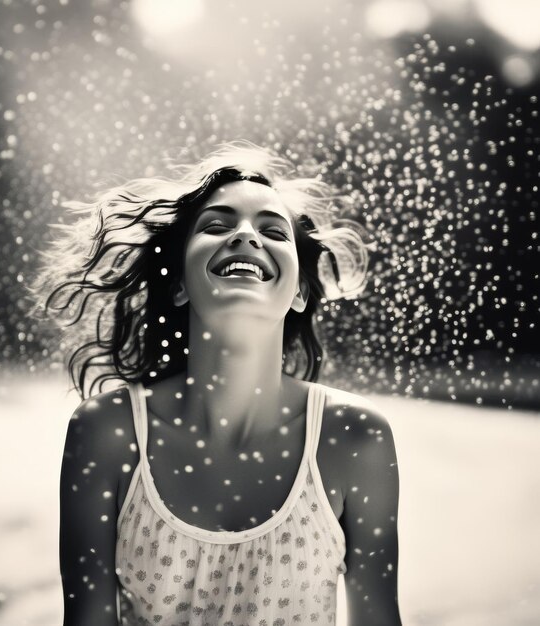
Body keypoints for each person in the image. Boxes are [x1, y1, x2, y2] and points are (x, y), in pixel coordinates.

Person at [35, 143, 401, 625]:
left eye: (272, 230)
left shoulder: (355, 439)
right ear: (179, 283)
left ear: (300, 291)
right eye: (217, 225)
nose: (246, 235)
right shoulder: (107, 433)